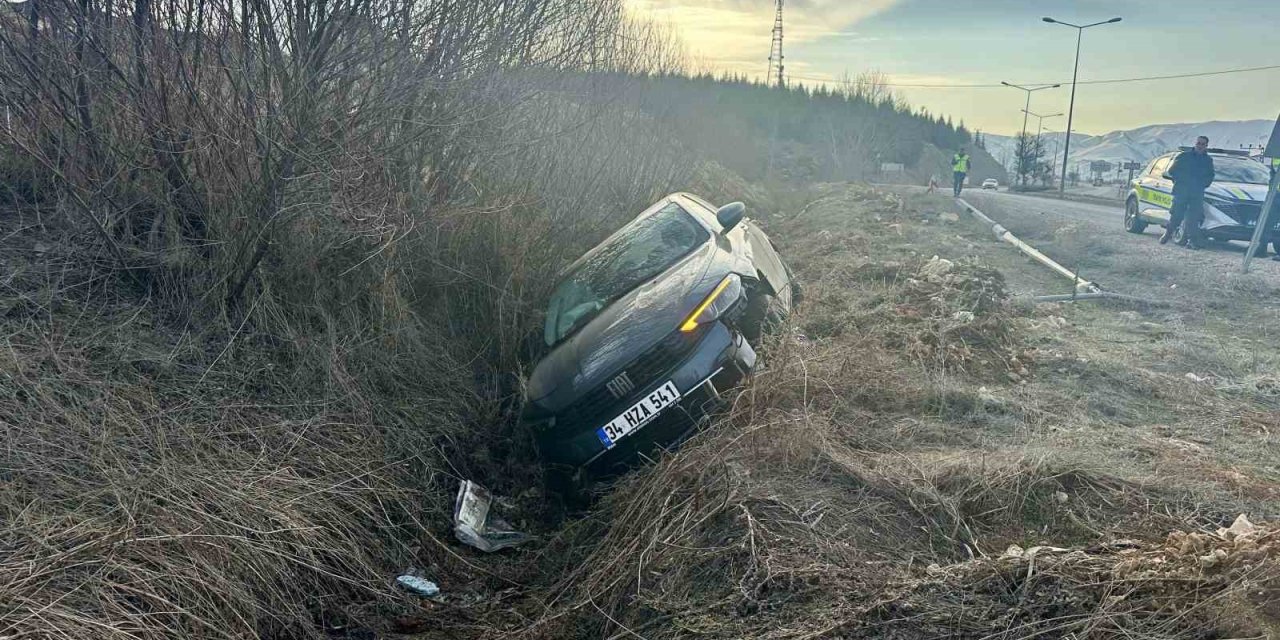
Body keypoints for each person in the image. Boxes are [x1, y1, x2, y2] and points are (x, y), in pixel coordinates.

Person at [1161, 135, 1215, 249]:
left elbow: (1210, 176)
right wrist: (1181, 180)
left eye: (1203, 144)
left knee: (1194, 217)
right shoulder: (1184, 156)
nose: (1200, 146)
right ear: (1195, 143)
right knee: (1177, 215)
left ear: (1206, 146)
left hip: (1197, 193)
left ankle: (1191, 241)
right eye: (1198, 143)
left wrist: (1203, 184)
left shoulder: (1208, 160)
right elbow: (1172, 171)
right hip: (1181, 191)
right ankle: (1168, 233)